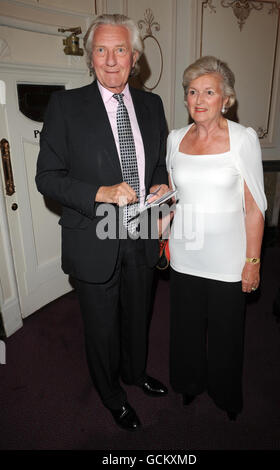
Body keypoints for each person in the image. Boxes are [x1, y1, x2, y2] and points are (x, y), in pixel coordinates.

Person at [36, 14, 169, 431]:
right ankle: (111, 394)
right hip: (93, 235)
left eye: (121, 49)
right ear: (90, 57)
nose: (111, 60)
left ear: (135, 56)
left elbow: (159, 164)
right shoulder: (66, 105)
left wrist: (163, 187)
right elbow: (47, 178)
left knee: (138, 315)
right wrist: (101, 193)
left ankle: (134, 373)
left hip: (142, 231)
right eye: (101, 50)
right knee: (101, 326)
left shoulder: (152, 104)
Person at [166, 56, 267, 420]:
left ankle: (226, 393)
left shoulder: (243, 139)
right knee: (186, 329)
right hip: (184, 253)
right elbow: (175, 196)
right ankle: (189, 384)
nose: (199, 99)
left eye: (209, 92)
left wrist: (252, 262)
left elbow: (255, 208)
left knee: (227, 333)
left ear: (226, 99)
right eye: (192, 92)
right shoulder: (175, 139)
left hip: (228, 258)